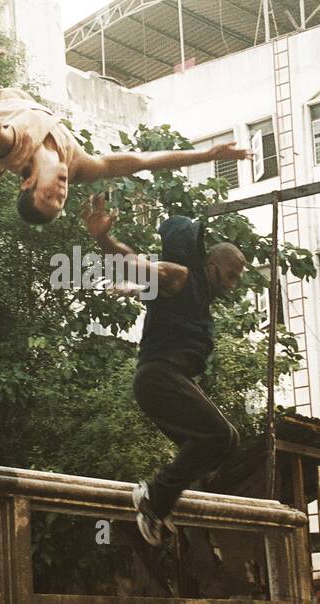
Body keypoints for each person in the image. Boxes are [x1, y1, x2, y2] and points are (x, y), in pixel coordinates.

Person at [0, 46, 250, 299]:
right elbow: (140, 162)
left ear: (29, 182)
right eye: (60, 201)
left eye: (49, 196)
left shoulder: (12, 145)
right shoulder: (76, 161)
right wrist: (205, 155)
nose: (62, 192)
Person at [83, 194, 248, 545]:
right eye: (230, 276)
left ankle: (163, 501)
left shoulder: (200, 296)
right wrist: (103, 239)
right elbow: (136, 265)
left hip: (171, 381)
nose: (231, 286)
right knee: (220, 436)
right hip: (159, 377)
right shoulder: (182, 275)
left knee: (226, 444)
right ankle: (153, 499)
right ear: (212, 264)